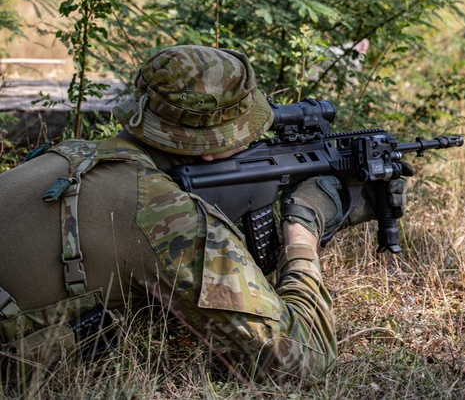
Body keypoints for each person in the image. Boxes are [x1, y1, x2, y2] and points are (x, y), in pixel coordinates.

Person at [0, 44, 407, 381]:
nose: (254, 141)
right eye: (248, 135)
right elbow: (299, 361)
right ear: (212, 145)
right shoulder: (160, 212)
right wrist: (303, 228)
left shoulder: (74, 155)